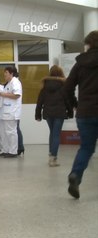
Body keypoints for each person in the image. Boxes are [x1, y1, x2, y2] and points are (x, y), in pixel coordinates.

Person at [63, 30, 98, 199]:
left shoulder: (80, 64)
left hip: (85, 112)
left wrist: (76, 105)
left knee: (86, 148)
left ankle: (75, 175)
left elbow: (67, 88)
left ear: (89, 44)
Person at [35, 65, 72, 167]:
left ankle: (51, 156)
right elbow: (67, 100)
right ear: (60, 73)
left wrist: (38, 114)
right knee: (56, 134)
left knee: (52, 133)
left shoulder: (44, 86)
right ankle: (53, 158)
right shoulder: (63, 85)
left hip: (48, 113)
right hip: (59, 113)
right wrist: (70, 112)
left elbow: (39, 101)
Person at [0, 66, 22, 158]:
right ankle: (6, 150)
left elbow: (17, 95)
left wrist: (4, 94)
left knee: (11, 132)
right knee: (4, 132)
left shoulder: (15, 82)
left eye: (6, 72)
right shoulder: (8, 83)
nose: (4, 74)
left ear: (11, 73)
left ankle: (13, 151)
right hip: (5, 111)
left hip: (12, 112)